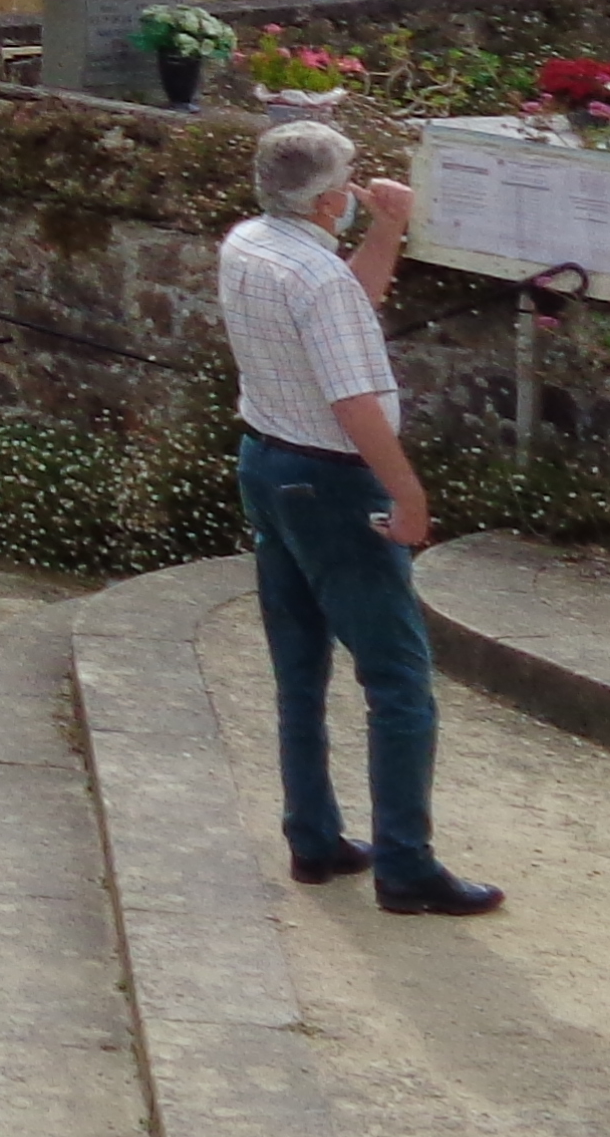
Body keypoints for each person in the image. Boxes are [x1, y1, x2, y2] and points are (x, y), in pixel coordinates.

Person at [218, 115, 502, 918]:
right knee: (399, 678)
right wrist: (408, 496)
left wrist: (387, 228)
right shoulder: (317, 280)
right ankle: (406, 865)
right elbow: (352, 398)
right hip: (336, 481)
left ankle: (313, 836)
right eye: (350, 184)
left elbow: (350, 302)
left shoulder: (249, 244)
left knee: (299, 666)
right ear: (330, 197)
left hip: (266, 462)